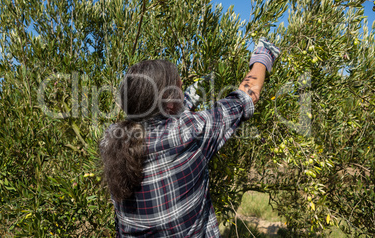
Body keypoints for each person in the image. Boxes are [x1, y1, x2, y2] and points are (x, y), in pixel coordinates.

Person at [99, 38, 280, 237]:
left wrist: (189, 94)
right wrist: (264, 55)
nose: (182, 83)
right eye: (178, 85)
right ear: (168, 103)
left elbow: (167, 117)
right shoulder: (190, 132)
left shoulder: (112, 139)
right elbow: (247, 96)